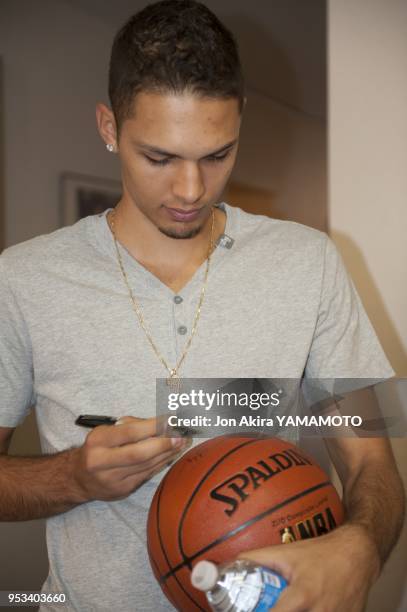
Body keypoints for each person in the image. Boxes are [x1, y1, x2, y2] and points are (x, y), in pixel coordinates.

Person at [0, 1, 404, 610]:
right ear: (109, 128)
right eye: (159, 158)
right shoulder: (21, 280)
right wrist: (73, 477)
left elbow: (370, 457)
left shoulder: (308, 262)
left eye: (217, 156)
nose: (191, 190)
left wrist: (361, 547)